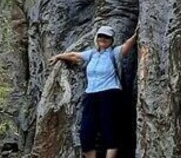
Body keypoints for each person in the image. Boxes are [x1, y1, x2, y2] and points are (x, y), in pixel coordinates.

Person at [49, 24, 138, 158]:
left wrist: (136, 34)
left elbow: (127, 46)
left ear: (111, 40)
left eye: (107, 37)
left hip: (109, 94)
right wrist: (59, 56)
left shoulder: (114, 53)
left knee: (109, 132)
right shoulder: (91, 54)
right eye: (101, 35)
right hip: (91, 95)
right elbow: (73, 55)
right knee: (86, 134)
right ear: (97, 37)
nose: (103, 38)